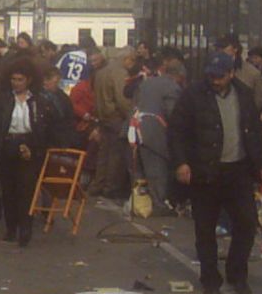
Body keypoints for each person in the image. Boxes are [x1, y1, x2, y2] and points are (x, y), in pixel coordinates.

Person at [168, 51, 262, 294]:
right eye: (211, 75)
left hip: (238, 170)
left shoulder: (243, 94)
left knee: (246, 224)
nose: (215, 80)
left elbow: (254, 132)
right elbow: (177, 131)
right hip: (205, 171)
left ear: (231, 73)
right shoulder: (193, 95)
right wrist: (181, 163)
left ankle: (237, 274)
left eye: (220, 76)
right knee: (205, 228)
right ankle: (210, 277)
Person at [0, 57, 52, 246]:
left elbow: (43, 128)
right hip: (7, 144)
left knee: (26, 190)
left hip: (28, 145)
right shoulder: (3, 100)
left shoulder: (38, 100)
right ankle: (11, 229)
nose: (16, 83)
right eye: (14, 79)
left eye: (20, 79)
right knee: (8, 190)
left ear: (28, 80)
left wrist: (35, 148)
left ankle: (25, 229)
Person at [133, 56, 186, 212]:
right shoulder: (173, 88)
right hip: (154, 133)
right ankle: (159, 204)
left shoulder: (147, 83)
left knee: (139, 171)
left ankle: (140, 204)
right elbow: (174, 115)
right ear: (180, 75)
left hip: (135, 129)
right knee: (157, 169)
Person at [90, 47, 134, 200]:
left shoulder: (101, 72)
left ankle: (98, 184)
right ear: (126, 59)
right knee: (116, 154)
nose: (132, 64)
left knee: (103, 153)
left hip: (103, 116)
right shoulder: (120, 73)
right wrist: (131, 114)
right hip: (116, 117)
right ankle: (111, 187)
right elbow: (122, 98)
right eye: (132, 60)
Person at [40, 68, 80, 150]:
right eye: (53, 81)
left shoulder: (63, 96)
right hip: (48, 138)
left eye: (57, 81)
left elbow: (70, 116)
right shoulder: (38, 97)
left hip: (65, 136)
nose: (56, 83)